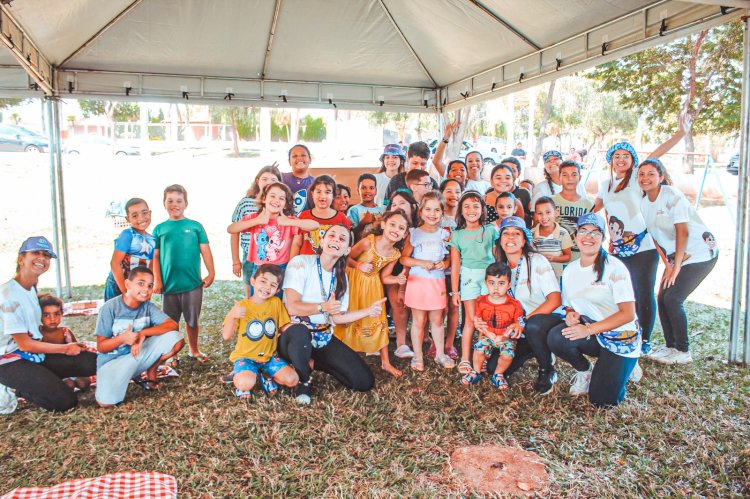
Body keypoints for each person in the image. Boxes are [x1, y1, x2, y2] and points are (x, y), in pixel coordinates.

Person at [280, 225, 386, 405]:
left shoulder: (341, 278)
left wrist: (368, 311)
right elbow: (293, 308)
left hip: (322, 336)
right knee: (300, 332)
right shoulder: (300, 262)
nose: (336, 240)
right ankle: (304, 381)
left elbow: (336, 317)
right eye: (332, 236)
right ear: (322, 241)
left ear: (347, 250)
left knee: (363, 381)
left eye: (342, 239)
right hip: (292, 338)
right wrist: (323, 307)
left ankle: (312, 362)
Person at [547, 213, 640, 407]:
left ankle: (626, 365)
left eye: (595, 233)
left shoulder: (615, 268)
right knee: (557, 337)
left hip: (620, 337)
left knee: (602, 400)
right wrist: (571, 314)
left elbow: (628, 314)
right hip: (595, 334)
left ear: (603, 238)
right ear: (575, 236)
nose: (588, 237)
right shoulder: (570, 270)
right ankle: (586, 371)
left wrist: (588, 330)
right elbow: (570, 304)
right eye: (583, 231)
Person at [0, 237, 96, 412]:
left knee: (92, 361)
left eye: (46, 255)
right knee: (65, 402)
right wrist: (65, 349)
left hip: (33, 356)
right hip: (9, 361)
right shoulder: (8, 294)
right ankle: (16, 388)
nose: (42, 259)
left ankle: (43, 380)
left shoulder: (30, 287)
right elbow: (24, 344)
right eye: (36, 253)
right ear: (21, 258)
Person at [637, 159, 718, 364]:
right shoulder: (644, 202)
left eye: (651, 174)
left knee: (673, 298)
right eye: (642, 174)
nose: (645, 178)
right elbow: (654, 237)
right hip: (678, 257)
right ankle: (670, 346)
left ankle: (683, 351)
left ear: (661, 177)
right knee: (662, 296)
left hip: (700, 253)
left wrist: (677, 265)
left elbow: (683, 231)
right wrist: (668, 264)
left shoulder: (672, 195)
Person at [593, 142, 658, 355]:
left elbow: (656, 155)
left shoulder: (637, 178)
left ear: (633, 160)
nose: (621, 159)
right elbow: (595, 208)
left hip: (644, 246)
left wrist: (681, 133)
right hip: (618, 248)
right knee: (622, 293)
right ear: (610, 160)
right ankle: (628, 331)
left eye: (626, 156)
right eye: (616, 156)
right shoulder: (607, 184)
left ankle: (645, 338)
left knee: (643, 291)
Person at [487, 217, 562, 394]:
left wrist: (522, 321)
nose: (510, 238)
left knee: (534, 325)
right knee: (493, 368)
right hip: (521, 327)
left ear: (524, 240)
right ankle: (535, 349)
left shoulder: (536, 261)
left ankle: (547, 368)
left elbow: (555, 300)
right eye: (506, 233)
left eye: (516, 234)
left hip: (547, 321)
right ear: (500, 240)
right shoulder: (500, 268)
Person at [96, 266, 184, 407]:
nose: (146, 290)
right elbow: (101, 347)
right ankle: (123, 378)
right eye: (141, 283)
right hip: (112, 362)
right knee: (105, 403)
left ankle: (151, 370)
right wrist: (123, 338)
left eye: (150, 286)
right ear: (127, 284)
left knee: (175, 339)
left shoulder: (148, 306)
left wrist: (142, 333)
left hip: (137, 355)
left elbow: (173, 325)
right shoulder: (109, 308)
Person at [335, 210, 409, 377]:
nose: (395, 229)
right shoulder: (368, 242)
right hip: (354, 282)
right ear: (383, 224)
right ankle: (341, 355)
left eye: (401, 228)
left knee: (378, 319)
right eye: (392, 224)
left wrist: (397, 279)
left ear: (404, 234)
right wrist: (359, 265)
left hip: (373, 286)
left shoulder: (395, 254)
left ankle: (386, 362)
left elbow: (384, 277)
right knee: (350, 315)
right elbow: (345, 258)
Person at [152, 184, 215, 362]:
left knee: (192, 320)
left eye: (179, 200)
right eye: (170, 200)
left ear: (186, 203)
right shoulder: (159, 229)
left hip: (192, 285)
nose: (175, 204)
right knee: (171, 323)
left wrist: (211, 272)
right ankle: (173, 354)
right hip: (169, 285)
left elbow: (205, 251)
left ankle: (194, 350)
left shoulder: (195, 226)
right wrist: (158, 280)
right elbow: (155, 257)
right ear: (164, 203)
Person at [221, 264, 299, 399]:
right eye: (263, 281)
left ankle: (264, 376)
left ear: (277, 289)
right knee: (245, 383)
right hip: (245, 358)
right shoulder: (242, 306)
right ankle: (240, 374)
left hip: (268, 358)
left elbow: (284, 328)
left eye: (273, 285)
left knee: (292, 379)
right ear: (252, 281)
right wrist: (233, 316)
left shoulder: (275, 303)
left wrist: (300, 332)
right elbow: (226, 336)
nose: (267, 287)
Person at [227, 183, 318, 295]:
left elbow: (315, 226)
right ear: (264, 199)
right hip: (259, 268)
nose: (276, 200)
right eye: (272, 196)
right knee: (256, 301)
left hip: (280, 269)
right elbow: (231, 229)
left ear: (285, 204)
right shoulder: (255, 218)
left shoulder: (288, 221)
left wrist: (289, 222)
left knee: (277, 303)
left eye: (281, 198)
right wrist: (257, 221)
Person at [401, 192, 454, 371]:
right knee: (418, 321)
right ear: (421, 211)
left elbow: (450, 259)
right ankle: (417, 357)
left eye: (437, 210)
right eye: (428, 209)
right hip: (417, 282)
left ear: (442, 212)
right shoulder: (414, 234)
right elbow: (404, 259)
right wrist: (421, 263)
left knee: (437, 320)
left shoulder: (445, 235)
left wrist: (444, 263)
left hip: (437, 282)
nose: (432, 214)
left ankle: (440, 354)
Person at [448, 193, 498, 375]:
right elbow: (455, 265)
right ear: (461, 210)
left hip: (489, 278)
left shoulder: (491, 230)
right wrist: (455, 292)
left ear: (483, 210)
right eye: (467, 206)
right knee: (470, 319)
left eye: (476, 206)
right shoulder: (457, 234)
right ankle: (465, 358)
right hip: (468, 277)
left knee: (485, 320)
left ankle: (481, 356)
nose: (472, 210)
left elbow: (497, 257)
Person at [461, 263, 524, 389]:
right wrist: (488, 334)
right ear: (486, 283)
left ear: (509, 285)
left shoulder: (514, 304)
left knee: (507, 355)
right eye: (492, 283)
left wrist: (506, 336)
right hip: (487, 334)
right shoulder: (481, 301)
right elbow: (478, 321)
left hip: (505, 338)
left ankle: (498, 375)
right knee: (479, 350)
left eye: (501, 283)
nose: (496, 288)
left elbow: (519, 323)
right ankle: (476, 371)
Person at [230, 165, 282, 297]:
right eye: (265, 179)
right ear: (257, 180)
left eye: (273, 180)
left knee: (272, 292)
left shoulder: (279, 205)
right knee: (252, 293)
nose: (268, 182)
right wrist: (236, 261)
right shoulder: (246, 203)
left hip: (274, 257)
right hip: (250, 256)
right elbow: (234, 231)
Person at [383, 191, 420, 359]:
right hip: (395, 269)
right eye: (394, 204)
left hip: (419, 269)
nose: (398, 206)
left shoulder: (420, 228)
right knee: (398, 305)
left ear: (413, 206)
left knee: (419, 306)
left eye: (402, 203)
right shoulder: (391, 229)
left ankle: (422, 335)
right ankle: (401, 342)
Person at [104, 198, 155, 301]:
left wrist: (147, 288)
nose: (141, 218)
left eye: (144, 213)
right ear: (128, 219)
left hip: (138, 287)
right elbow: (115, 263)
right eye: (135, 215)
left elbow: (151, 266)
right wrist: (125, 291)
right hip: (119, 285)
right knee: (117, 315)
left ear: (150, 213)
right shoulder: (127, 235)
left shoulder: (152, 239)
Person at [39, 294, 92, 391]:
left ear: (62, 314)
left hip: (67, 367)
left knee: (84, 382)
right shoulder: (38, 334)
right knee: (68, 385)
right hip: (50, 370)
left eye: (56, 314)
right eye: (46, 315)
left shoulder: (65, 332)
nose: (52, 319)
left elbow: (78, 354)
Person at [293, 175, 352, 256]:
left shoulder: (342, 218)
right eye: (318, 191)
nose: (323, 196)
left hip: (330, 267)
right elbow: (296, 244)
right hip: (306, 266)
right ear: (312, 193)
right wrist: (291, 266)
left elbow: (346, 247)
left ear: (333, 195)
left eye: (327, 192)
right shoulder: (304, 216)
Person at [438, 179, 462, 359]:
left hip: (457, 271)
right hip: (437, 270)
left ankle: (450, 342)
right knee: (439, 307)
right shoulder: (436, 216)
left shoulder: (463, 217)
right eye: (449, 191)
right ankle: (435, 341)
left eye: (457, 191)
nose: (453, 195)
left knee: (454, 307)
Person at [552, 160, 593, 262]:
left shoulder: (589, 204)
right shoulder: (550, 202)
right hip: (556, 259)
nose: (570, 178)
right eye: (565, 175)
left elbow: (595, 232)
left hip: (580, 260)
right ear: (559, 178)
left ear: (580, 178)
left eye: (574, 174)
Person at [531, 197, 573, 280]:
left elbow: (568, 256)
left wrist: (554, 258)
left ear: (556, 213)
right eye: (540, 213)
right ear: (535, 215)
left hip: (556, 276)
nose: (544, 216)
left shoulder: (563, 233)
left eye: (548, 212)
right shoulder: (531, 233)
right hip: (537, 276)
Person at [498, 157, 532, 226]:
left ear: (518, 173)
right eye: (505, 170)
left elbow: (530, 218)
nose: (508, 173)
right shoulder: (491, 192)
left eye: (512, 170)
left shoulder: (524, 192)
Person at [282, 144, 315, 215]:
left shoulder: (316, 183)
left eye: (303, 155)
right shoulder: (280, 178)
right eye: (294, 156)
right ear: (289, 162)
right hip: (284, 222)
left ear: (310, 160)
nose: (299, 158)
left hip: (307, 223)